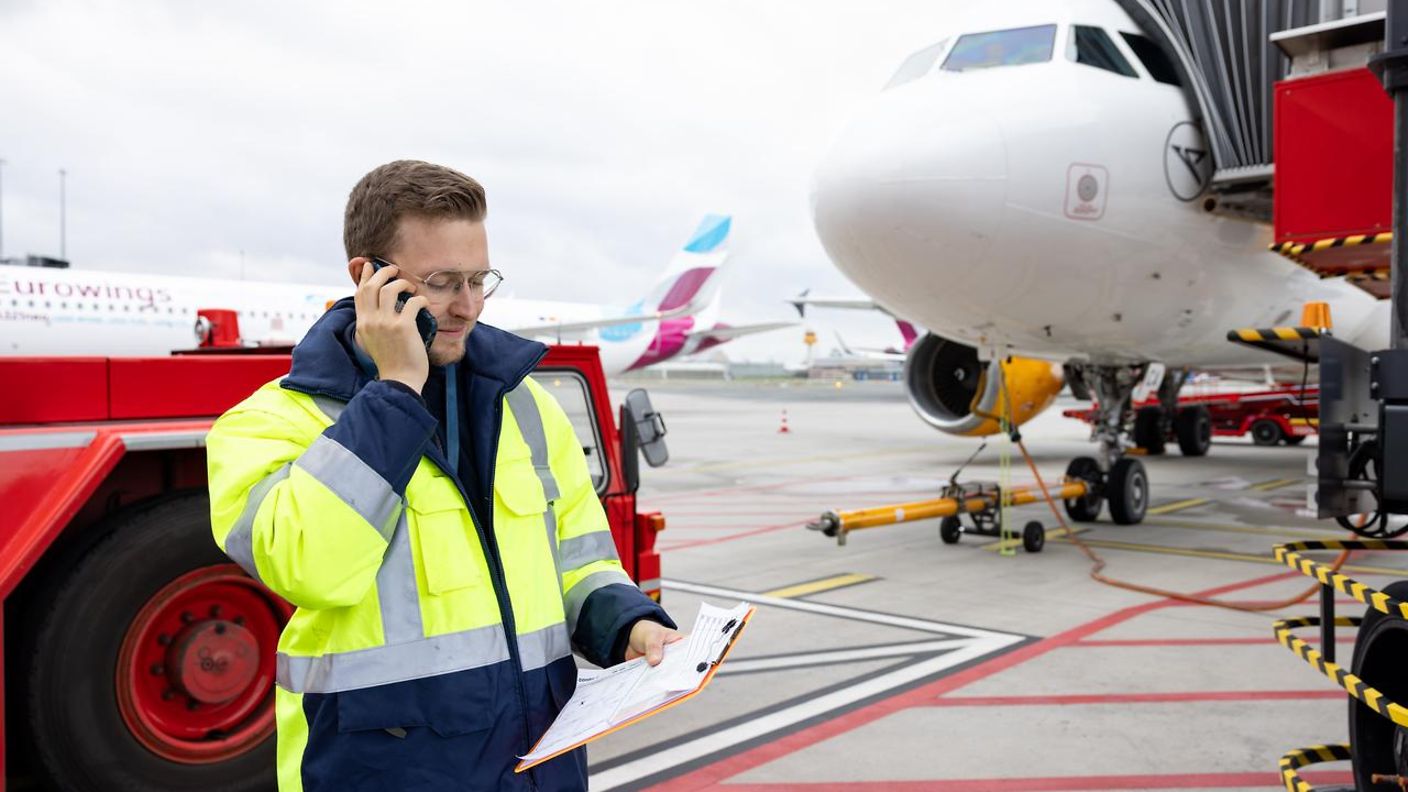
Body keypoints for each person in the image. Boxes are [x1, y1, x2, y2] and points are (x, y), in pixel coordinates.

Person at [207, 159, 679, 791]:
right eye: (443, 282)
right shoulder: (268, 424)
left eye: (480, 279)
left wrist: (628, 622)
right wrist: (396, 391)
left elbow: (580, 558)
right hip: (381, 772)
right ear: (367, 278)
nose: (469, 305)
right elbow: (309, 566)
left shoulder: (527, 406)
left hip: (542, 764)